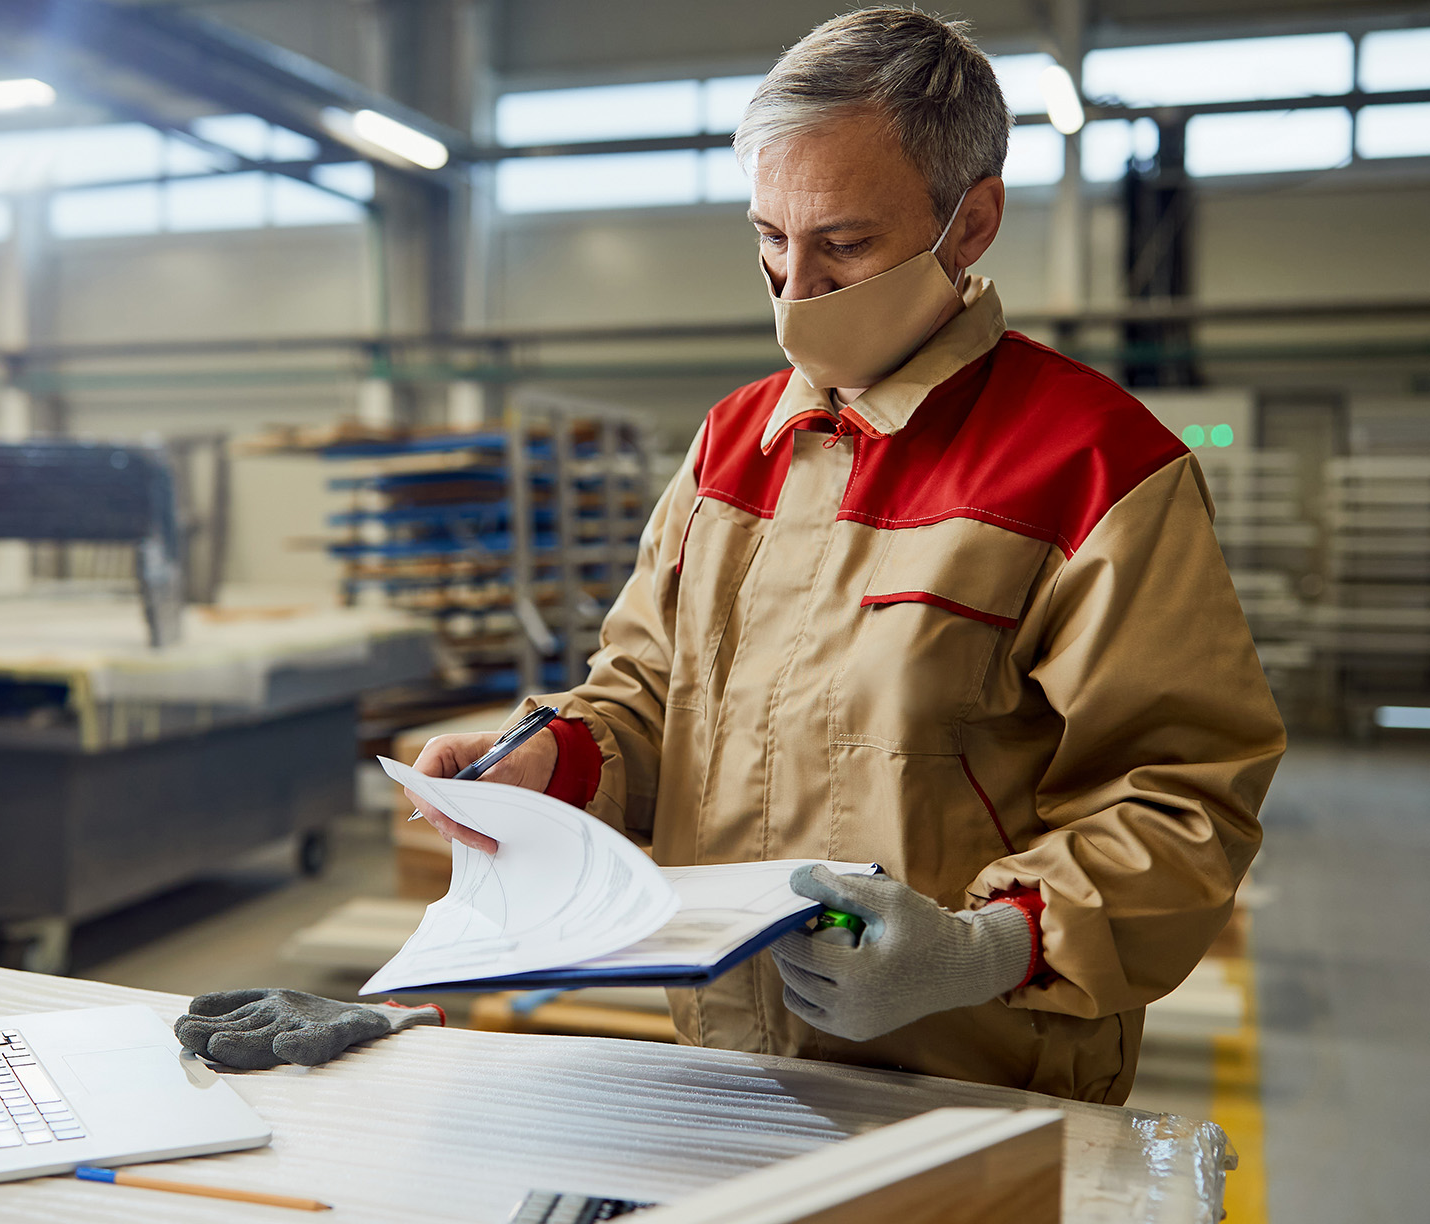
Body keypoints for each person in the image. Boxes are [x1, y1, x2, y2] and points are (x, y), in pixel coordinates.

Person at [406, 8, 1286, 1104]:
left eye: (846, 245)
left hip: (982, 1076)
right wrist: (550, 763)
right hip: (730, 1058)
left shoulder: (1093, 465)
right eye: (770, 238)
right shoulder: (735, 444)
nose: (795, 289)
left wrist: (984, 950)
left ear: (972, 224)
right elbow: (646, 695)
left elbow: (1184, 797)